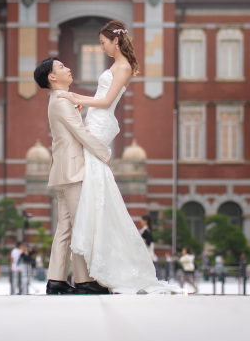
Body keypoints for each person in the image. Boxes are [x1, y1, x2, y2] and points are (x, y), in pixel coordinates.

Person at [47, 21, 183, 295]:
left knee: (92, 185)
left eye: (103, 42)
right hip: (95, 120)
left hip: (100, 121)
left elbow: (107, 101)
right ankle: (86, 275)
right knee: (92, 189)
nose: (102, 47)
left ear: (116, 41)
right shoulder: (117, 66)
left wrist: (76, 97)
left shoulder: (123, 67)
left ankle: (87, 276)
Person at [33, 55, 112, 295]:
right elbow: (80, 133)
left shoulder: (59, 100)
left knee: (65, 228)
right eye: (61, 67)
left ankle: (56, 279)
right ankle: (84, 280)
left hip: (64, 170)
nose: (68, 69)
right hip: (72, 171)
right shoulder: (60, 101)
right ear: (52, 77)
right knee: (79, 225)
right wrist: (104, 153)